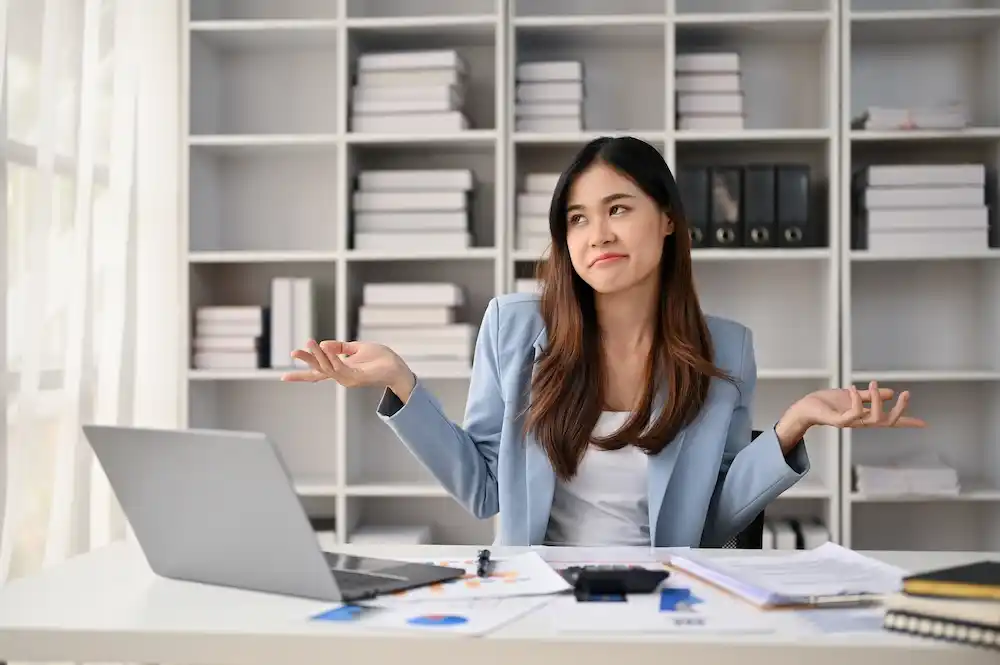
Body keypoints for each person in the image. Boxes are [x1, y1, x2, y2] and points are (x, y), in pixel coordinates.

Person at [282, 136, 925, 547]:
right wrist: (401, 382)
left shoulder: (726, 349)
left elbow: (716, 518)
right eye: (578, 219)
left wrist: (792, 426)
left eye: (618, 208)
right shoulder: (513, 327)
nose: (597, 235)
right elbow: (484, 491)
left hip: (668, 599)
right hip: (540, 600)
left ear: (667, 218)